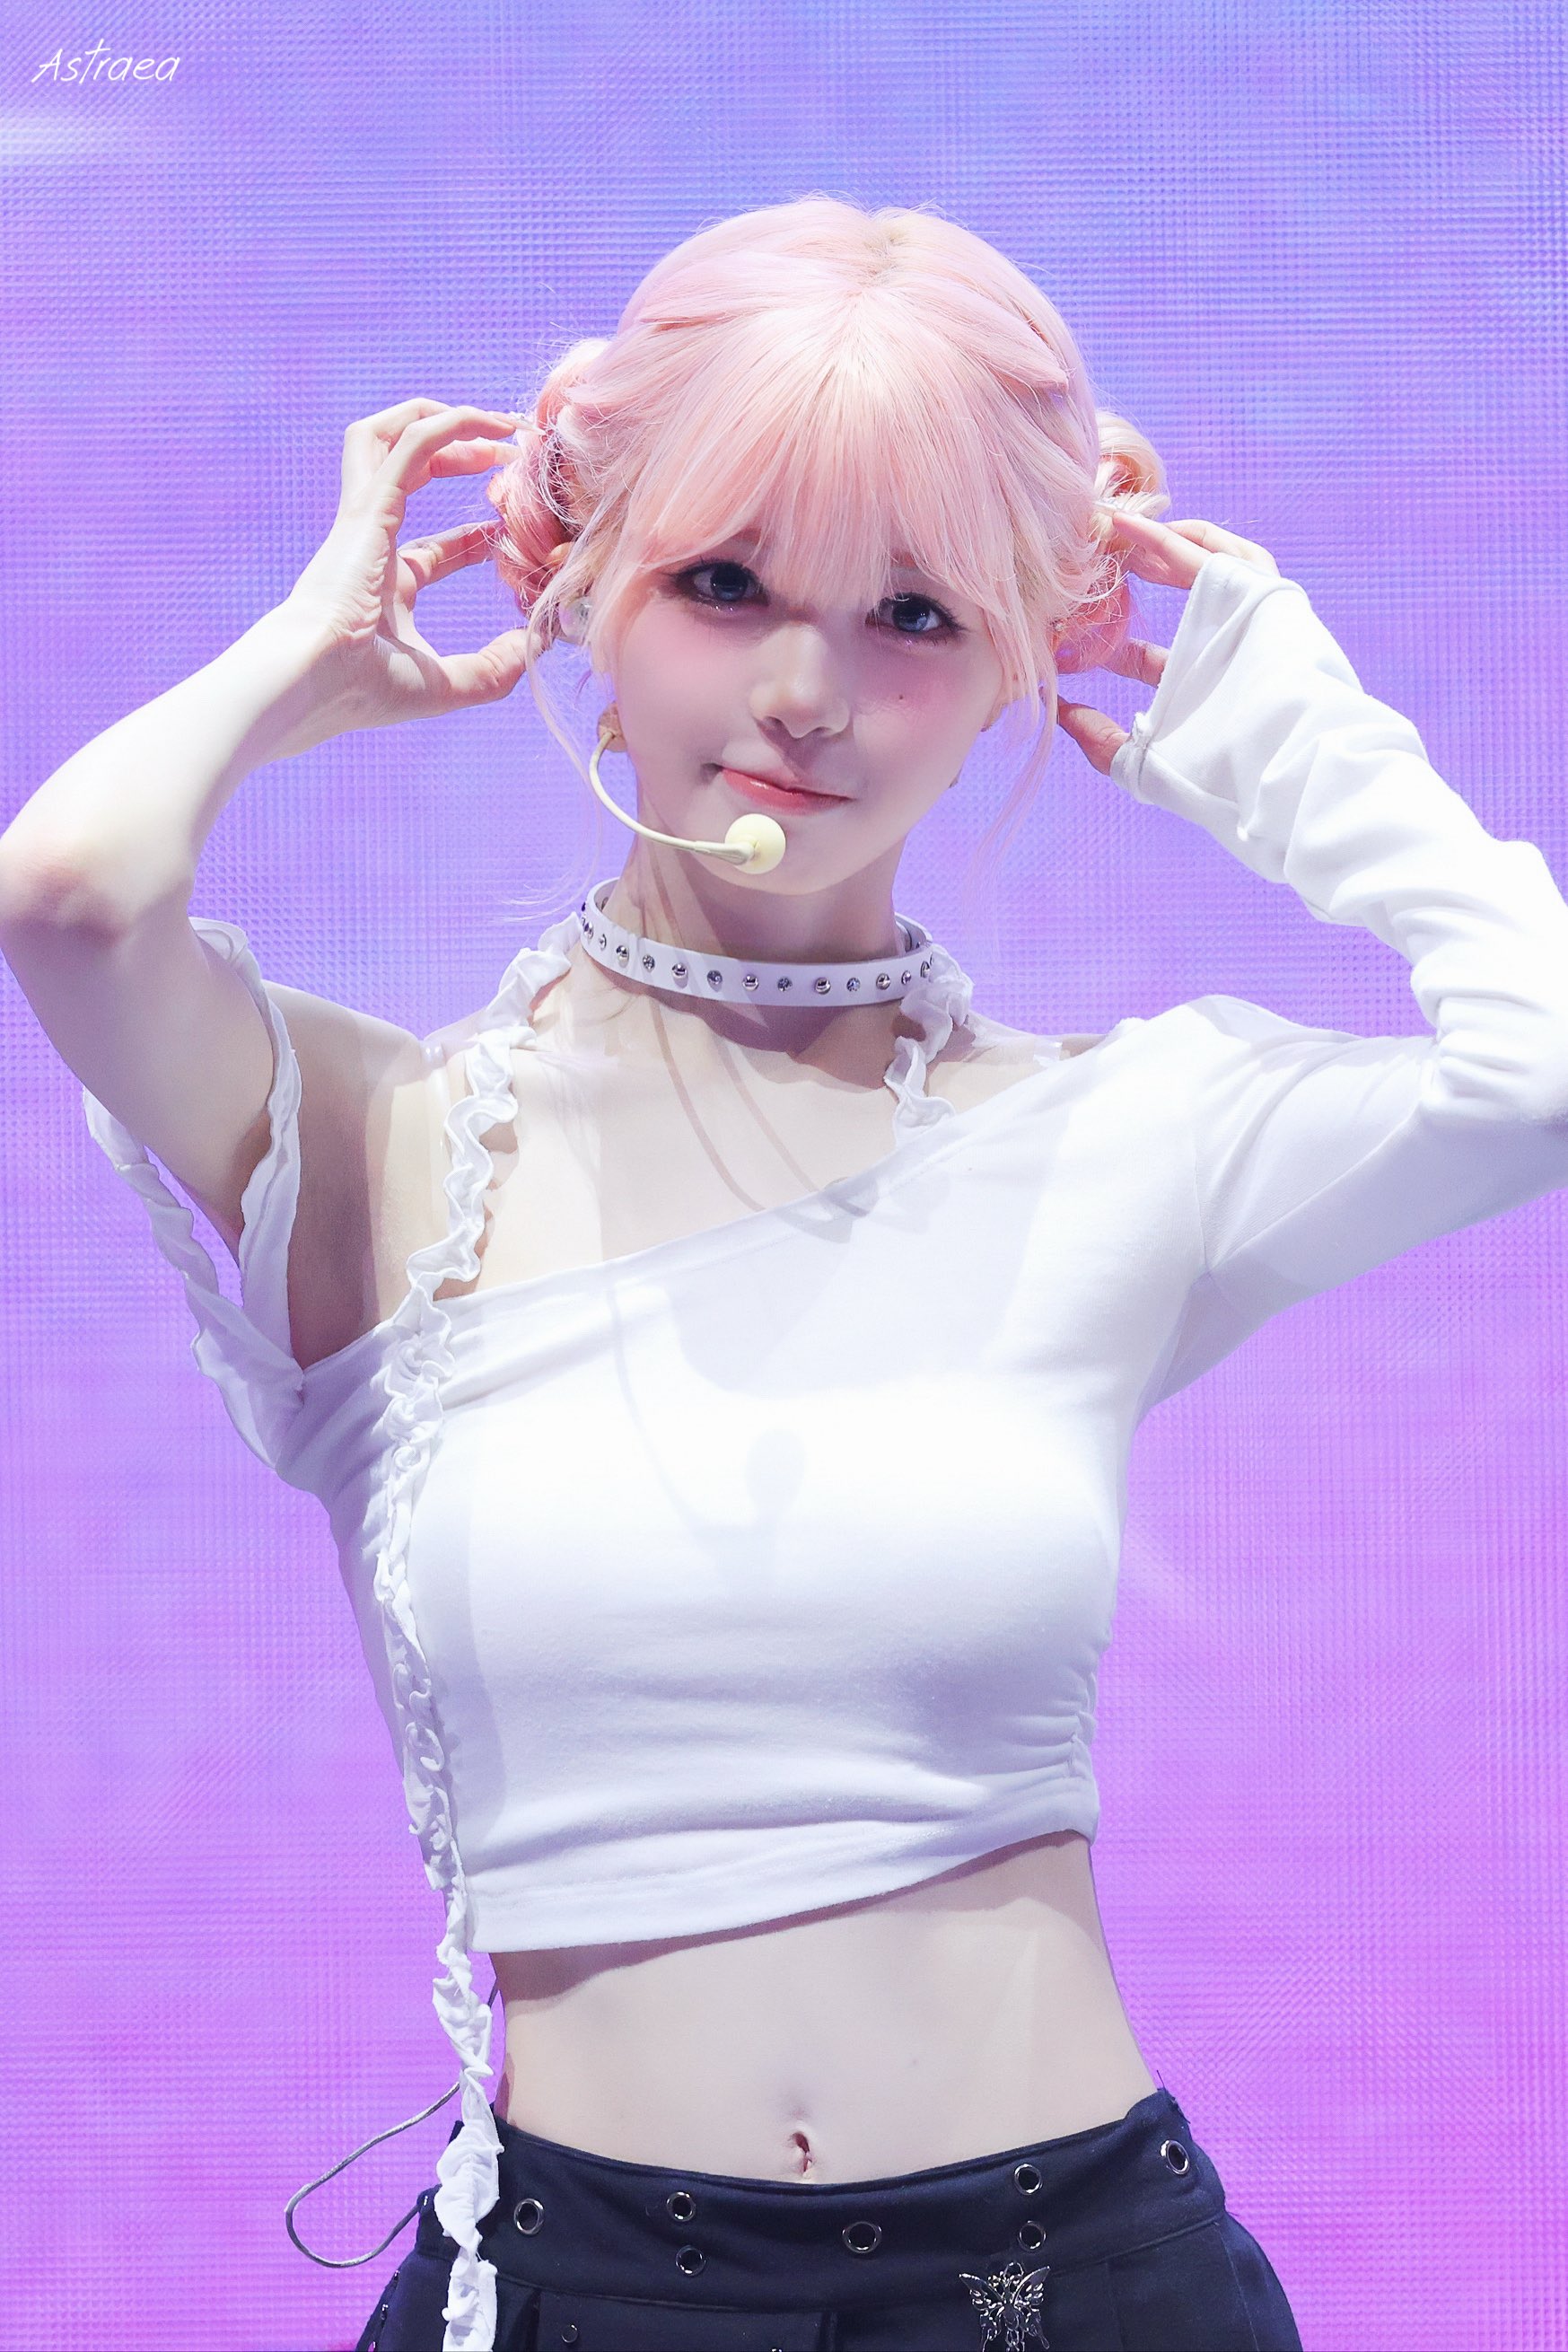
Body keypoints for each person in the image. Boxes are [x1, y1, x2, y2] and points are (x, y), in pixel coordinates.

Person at [4, 195, 1566, 2352]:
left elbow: (1541, 1066)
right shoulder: (385, 1141)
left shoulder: (1110, 1136)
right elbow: (72, 901)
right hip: (578, 2283)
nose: (805, 695)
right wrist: (309, 653)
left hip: (1073, 2281)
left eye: (915, 610)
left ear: (1022, 654)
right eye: (722, 582)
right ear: (578, 575)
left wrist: (1277, 728)